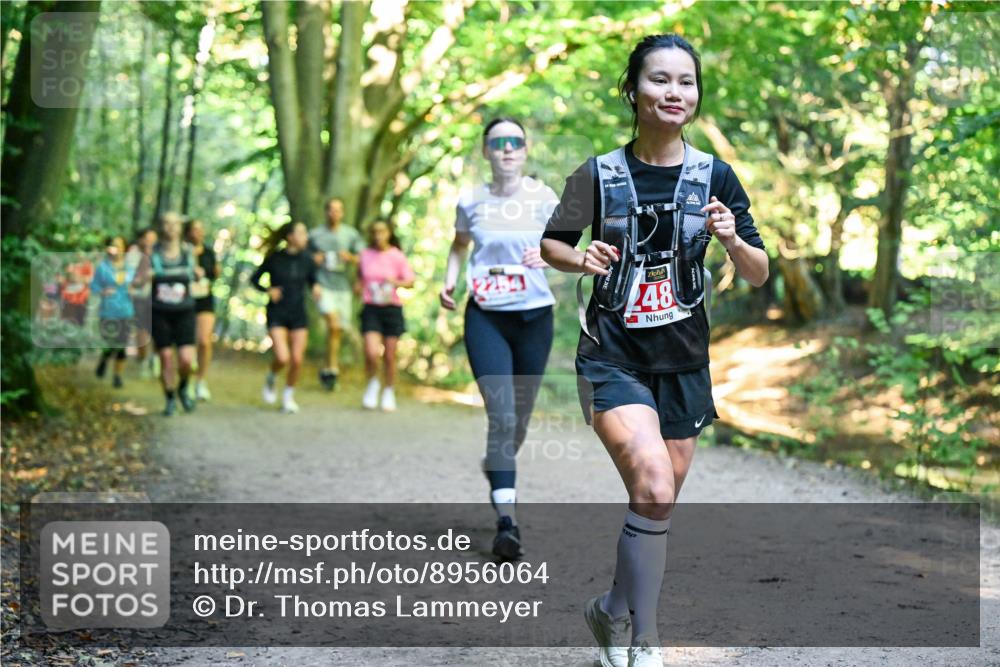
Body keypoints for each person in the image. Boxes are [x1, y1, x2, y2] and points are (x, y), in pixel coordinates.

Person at [540, 34, 769, 667]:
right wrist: (578, 256)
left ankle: (609, 610)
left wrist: (731, 238)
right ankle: (646, 640)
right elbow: (551, 244)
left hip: (685, 363)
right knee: (652, 482)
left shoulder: (715, 176)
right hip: (611, 355)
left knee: (656, 503)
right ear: (633, 90)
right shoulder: (598, 174)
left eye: (686, 82)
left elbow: (758, 271)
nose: (675, 92)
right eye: (660, 80)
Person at [440, 117, 559, 560]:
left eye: (515, 143)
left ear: (525, 150)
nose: (507, 149)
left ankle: (497, 465)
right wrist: (449, 281)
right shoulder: (470, 201)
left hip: (535, 319)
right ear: (486, 151)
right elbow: (458, 245)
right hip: (486, 317)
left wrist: (549, 258)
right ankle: (507, 523)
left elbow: (567, 246)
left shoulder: (543, 197)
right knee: (503, 418)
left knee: (520, 422)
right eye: (498, 143)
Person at [251, 221, 319, 414]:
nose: (306, 237)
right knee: (283, 357)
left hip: (298, 313)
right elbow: (255, 279)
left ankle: (288, 396)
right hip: (277, 312)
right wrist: (268, 289)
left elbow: (313, 279)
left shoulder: (307, 259)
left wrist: (316, 287)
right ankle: (272, 376)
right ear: (290, 237)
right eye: (302, 233)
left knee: (297, 359)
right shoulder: (275, 258)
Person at [358, 220, 414, 412]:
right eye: (374, 231)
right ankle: (372, 383)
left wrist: (395, 282)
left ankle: (389, 390)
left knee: (390, 355)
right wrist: (359, 288)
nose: (378, 235)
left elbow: (410, 281)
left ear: (389, 233)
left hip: (391, 308)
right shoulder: (365, 255)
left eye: (382, 231)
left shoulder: (397, 256)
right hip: (371, 307)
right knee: (372, 352)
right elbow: (360, 279)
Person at [309, 197, 363, 391]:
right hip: (323, 286)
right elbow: (304, 259)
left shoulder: (350, 235)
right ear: (326, 212)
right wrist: (314, 261)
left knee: (337, 329)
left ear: (343, 212)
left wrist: (350, 258)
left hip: (343, 287)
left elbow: (363, 260)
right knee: (332, 323)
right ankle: (332, 367)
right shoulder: (314, 235)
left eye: (338, 210)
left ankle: (330, 369)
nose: (334, 213)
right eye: (331, 209)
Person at [150, 212, 200, 416]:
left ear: (180, 228)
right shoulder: (152, 252)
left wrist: (197, 274)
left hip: (184, 311)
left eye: (174, 224)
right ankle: (169, 398)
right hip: (160, 311)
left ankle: (183, 386)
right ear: (161, 227)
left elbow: (194, 273)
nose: (170, 228)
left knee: (186, 359)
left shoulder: (188, 251)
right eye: (166, 224)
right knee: (166, 357)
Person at [91, 235, 136, 388]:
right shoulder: (103, 268)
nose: (116, 249)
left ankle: (117, 376)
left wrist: (133, 290)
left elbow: (137, 286)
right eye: (113, 245)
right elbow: (94, 286)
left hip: (126, 311)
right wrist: (103, 291)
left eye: (119, 245)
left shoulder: (129, 268)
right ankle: (104, 358)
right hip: (108, 312)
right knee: (110, 343)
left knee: (122, 345)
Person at [185, 218, 220, 401]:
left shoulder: (208, 252)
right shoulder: (181, 252)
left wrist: (213, 272)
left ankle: (200, 380)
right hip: (185, 299)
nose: (199, 232)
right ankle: (187, 382)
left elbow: (214, 273)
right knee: (187, 343)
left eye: (201, 229)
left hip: (205, 299)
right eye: (195, 229)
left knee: (204, 341)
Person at [128, 227, 158, 378]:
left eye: (153, 239)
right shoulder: (133, 254)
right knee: (142, 329)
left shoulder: (159, 254)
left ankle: (154, 358)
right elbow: (132, 280)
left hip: (157, 297)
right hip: (140, 297)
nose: (151, 242)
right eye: (148, 238)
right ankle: (143, 361)